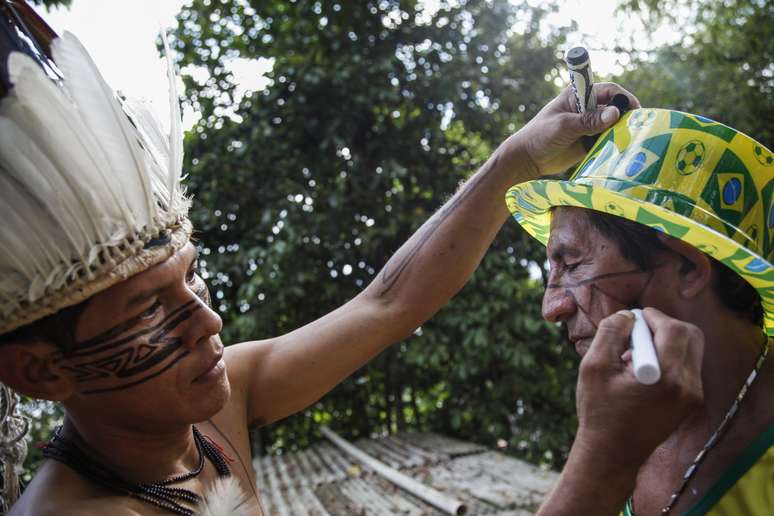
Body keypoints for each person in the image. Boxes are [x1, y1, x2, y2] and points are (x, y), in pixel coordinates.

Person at [0, 2, 648, 515]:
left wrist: (519, 159)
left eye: (191, 277)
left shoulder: (209, 410)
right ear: (39, 371)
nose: (208, 323)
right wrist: (606, 458)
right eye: (150, 314)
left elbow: (390, 303)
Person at [506, 107, 774, 514]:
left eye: (573, 264)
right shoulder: (630, 407)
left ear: (688, 268)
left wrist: (603, 458)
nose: (551, 307)